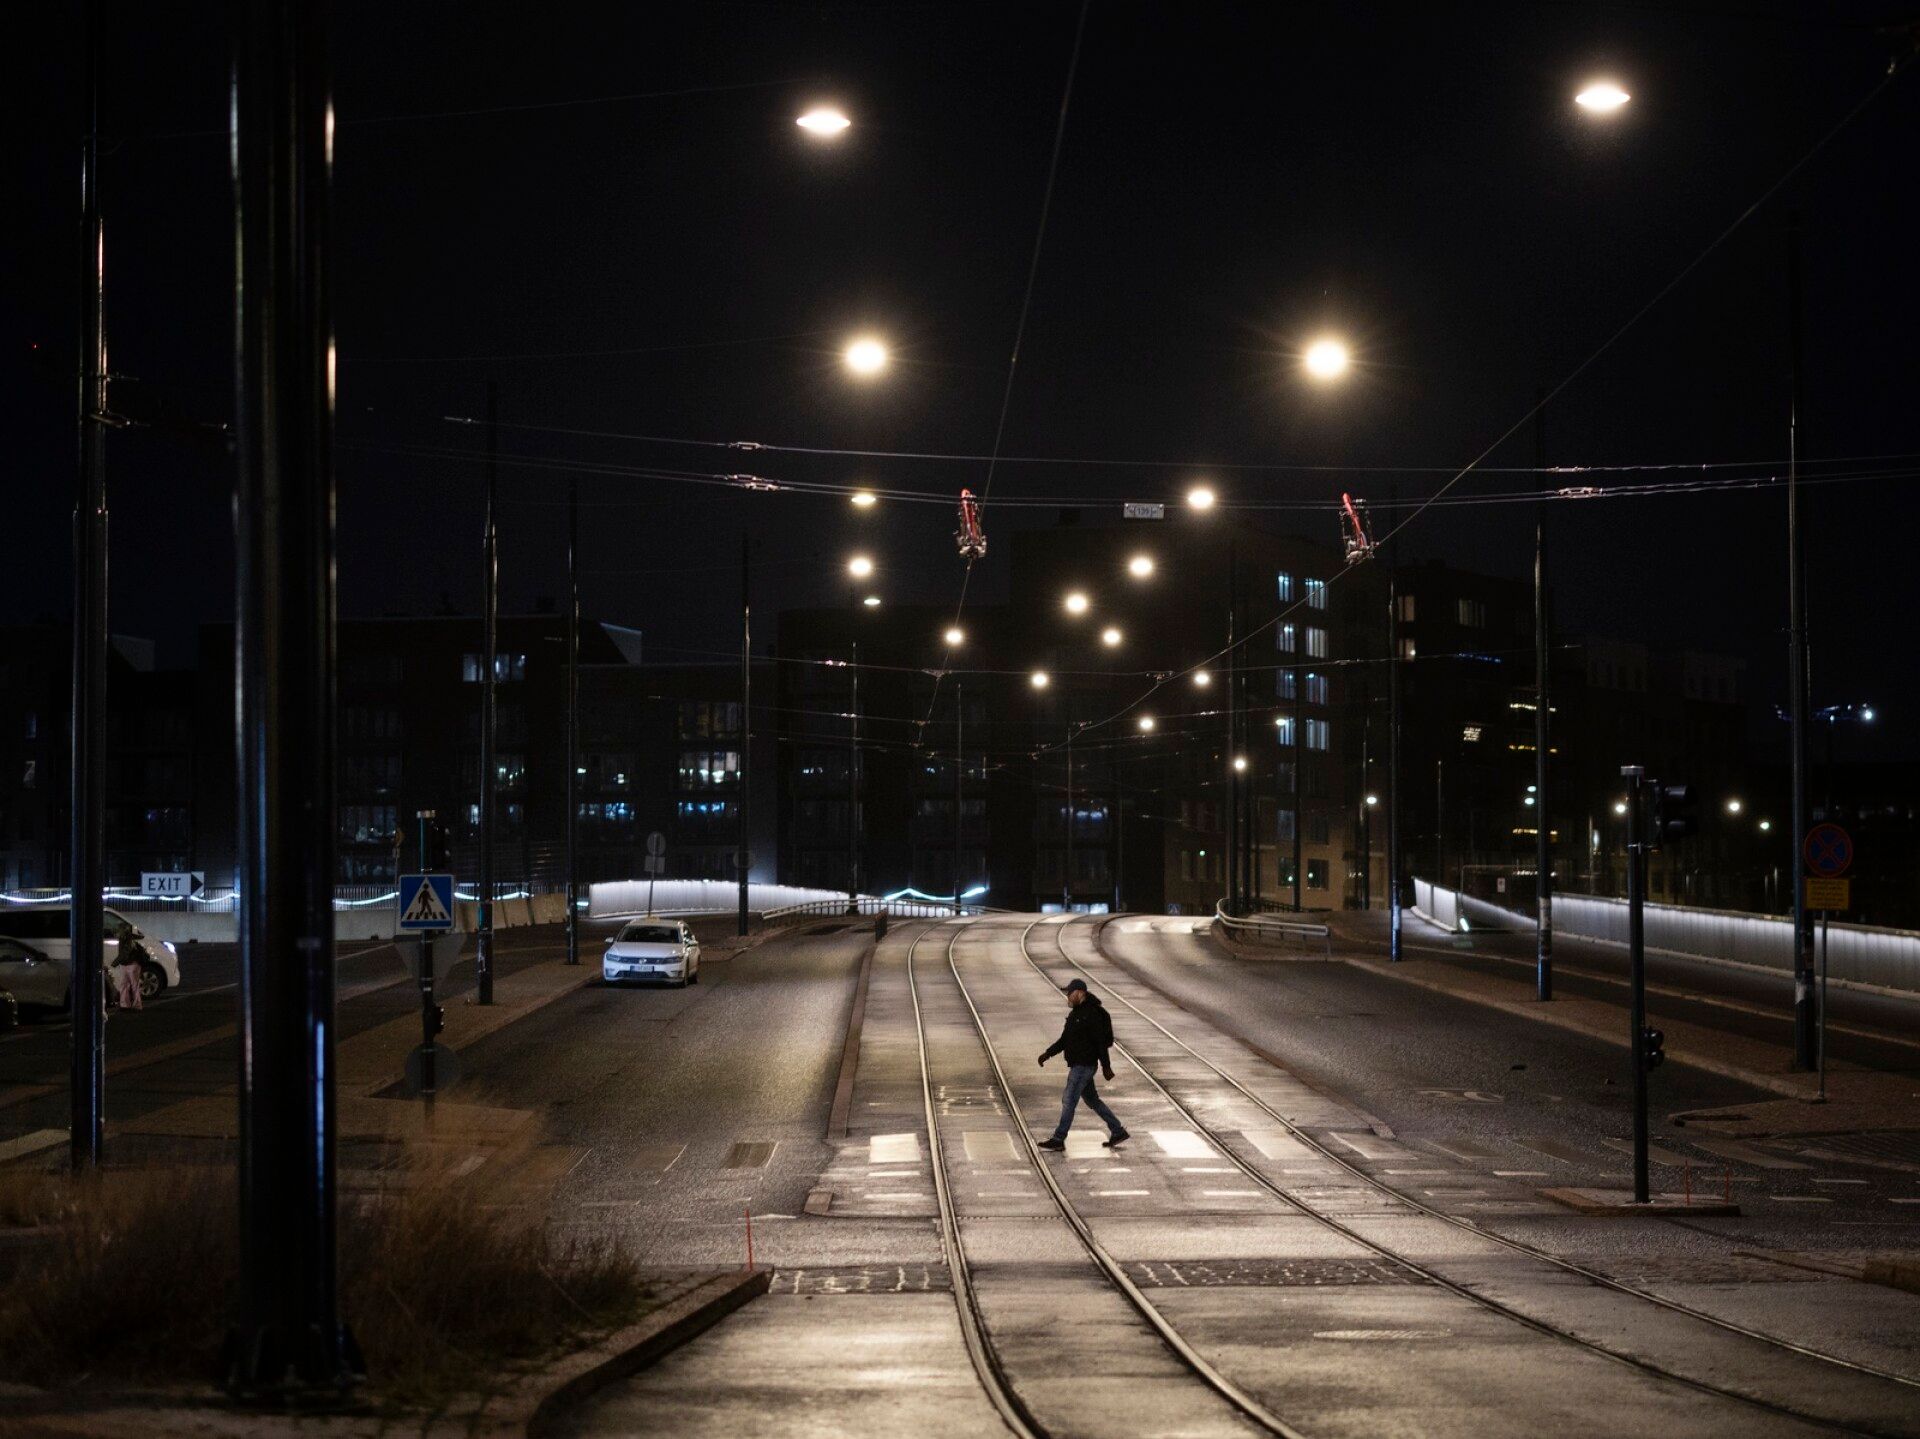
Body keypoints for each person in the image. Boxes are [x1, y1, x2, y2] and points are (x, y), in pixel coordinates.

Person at [1036, 978, 1128, 1150]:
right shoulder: (1076, 1014)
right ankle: (1118, 1130)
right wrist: (1047, 1054)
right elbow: (1064, 1040)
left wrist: (1106, 1066)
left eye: (1070, 994)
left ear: (1080, 992)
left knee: (1069, 1100)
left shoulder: (1091, 1014)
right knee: (1093, 1101)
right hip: (1079, 1065)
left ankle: (1059, 1138)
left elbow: (1101, 1042)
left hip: (1084, 1065)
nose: (1068, 998)